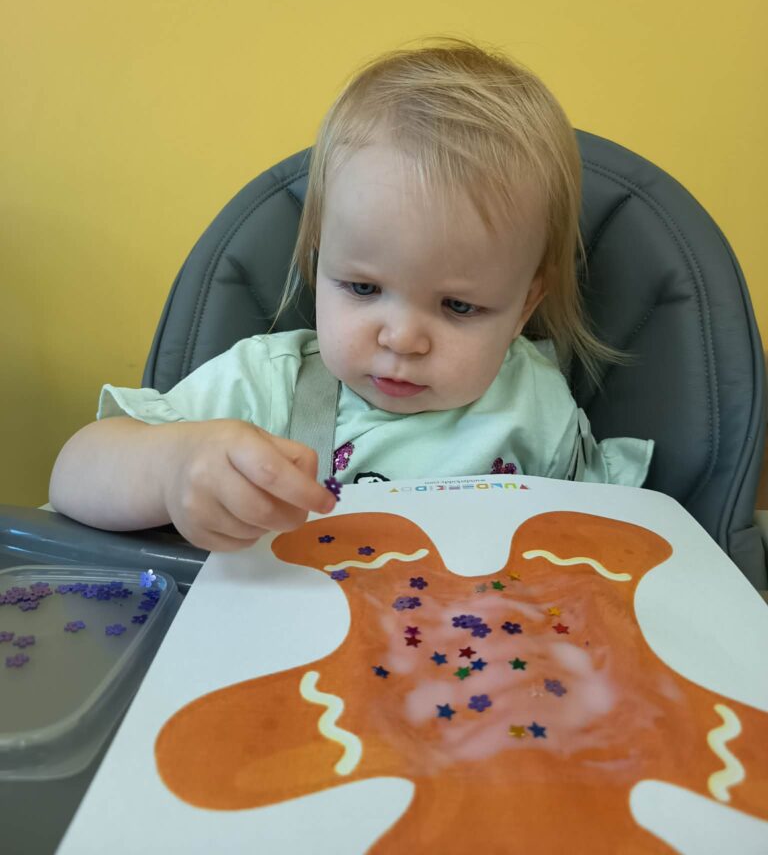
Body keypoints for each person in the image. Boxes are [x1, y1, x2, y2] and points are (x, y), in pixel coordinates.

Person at [49, 36, 653, 552]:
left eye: (459, 306)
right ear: (319, 263)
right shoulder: (268, 385)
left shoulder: (536, 409)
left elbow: (602, 546)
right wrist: (172, 468)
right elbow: (73, 474)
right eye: (363, 287)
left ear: (524, 307)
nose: (402, 339)